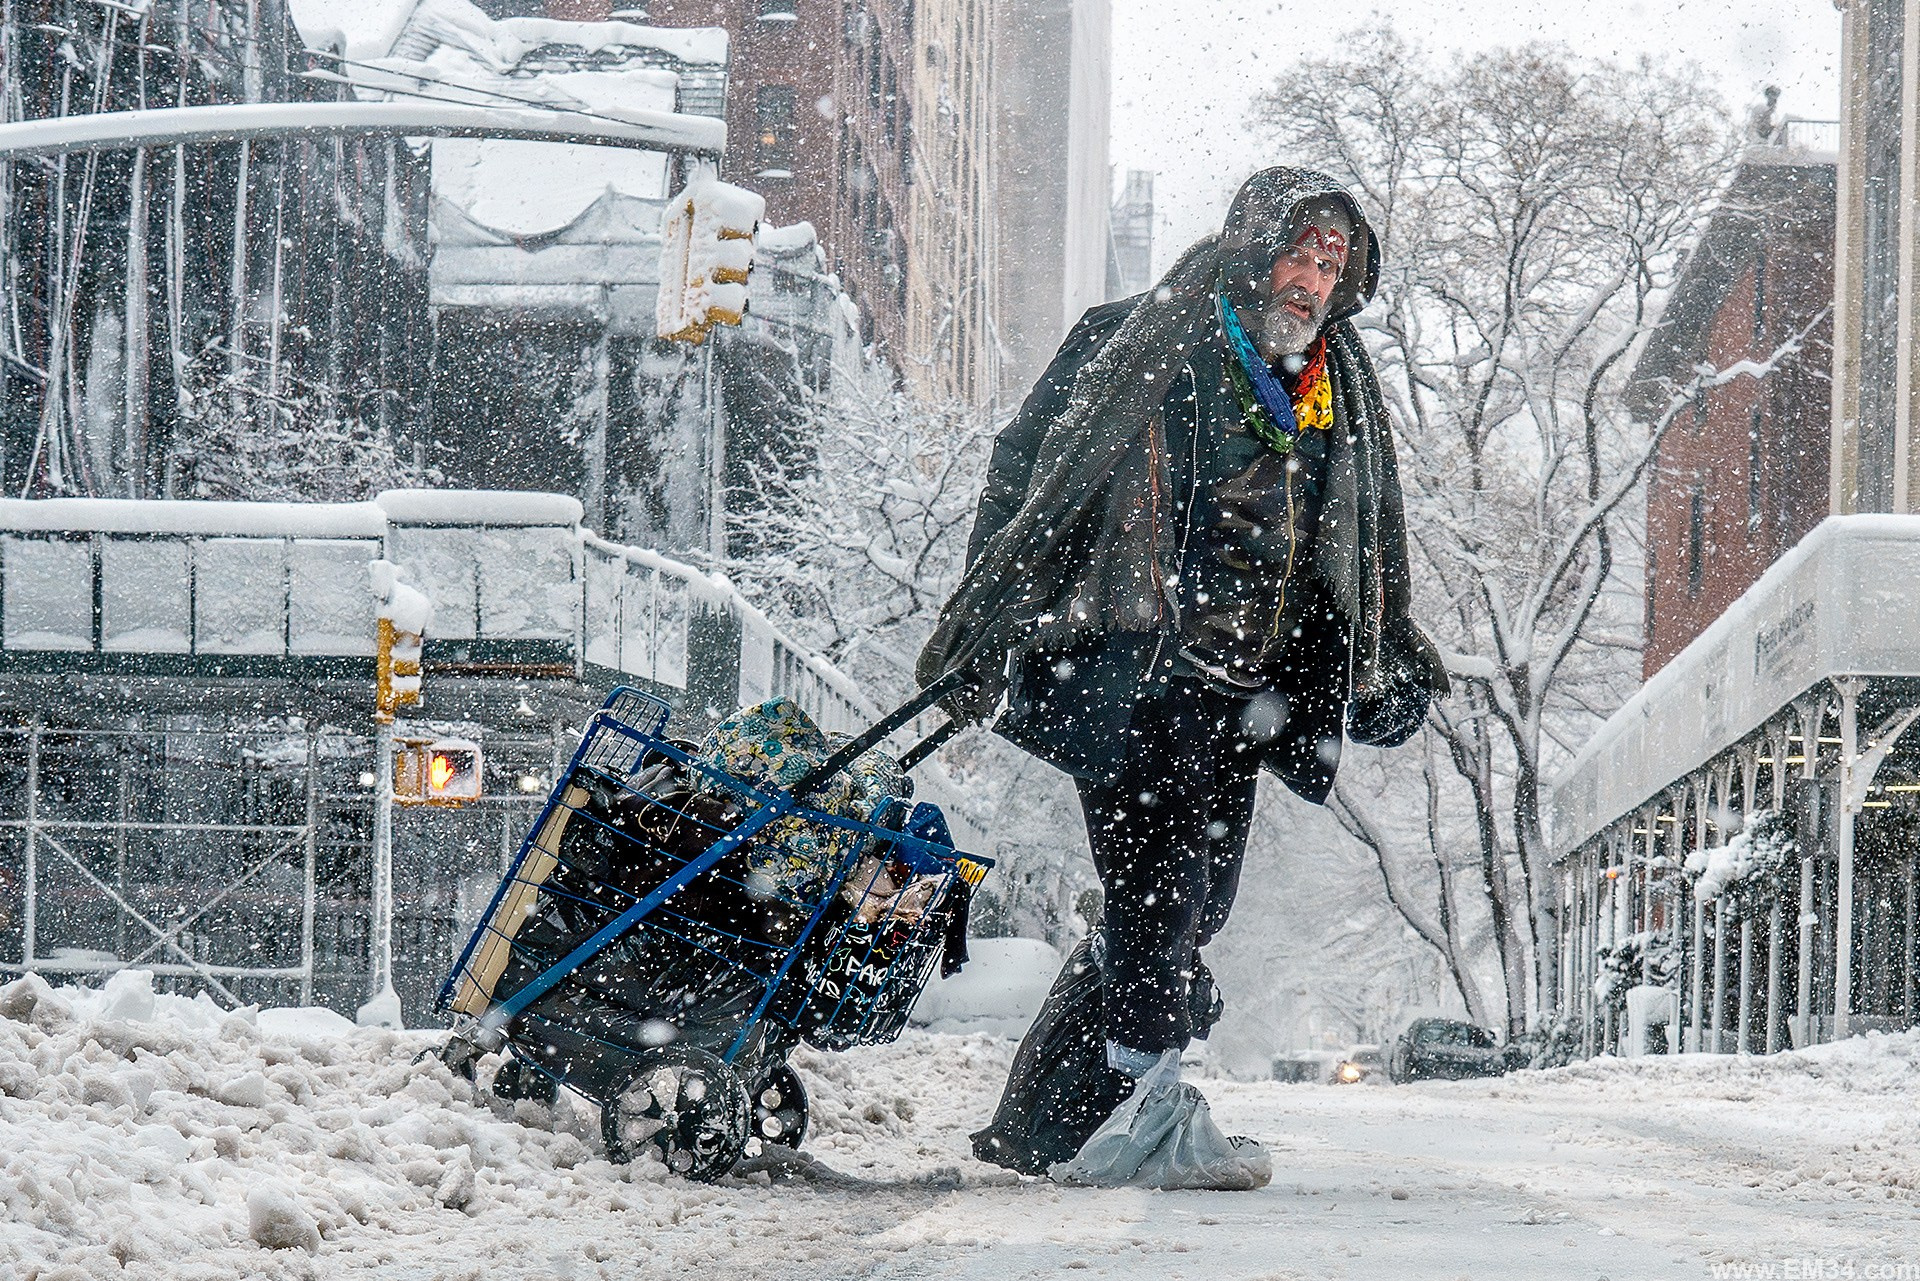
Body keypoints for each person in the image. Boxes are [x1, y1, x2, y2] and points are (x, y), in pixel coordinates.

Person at [916, 167, 1449, 1185]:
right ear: (1254, 247)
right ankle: (1153, 1115)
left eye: (1332, 264)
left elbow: (1361, 539)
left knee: (1189, 906)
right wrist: (994, 611)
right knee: (1158, 896)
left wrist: (1383, 658)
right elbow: (1030, 465)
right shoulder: (1148, 341)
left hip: (1242, 694)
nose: (1312, 279)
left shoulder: (1338, 385)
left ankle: (1043, 1126)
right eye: (1299, 253)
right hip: (1130, 669)